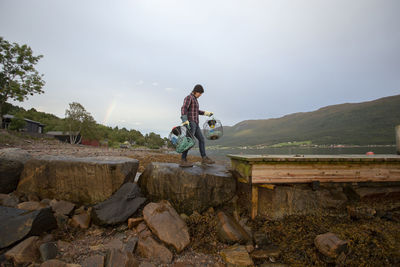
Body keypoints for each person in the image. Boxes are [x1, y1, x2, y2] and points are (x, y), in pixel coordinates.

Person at [180, 84, 215, 167]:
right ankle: (183, 160)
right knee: (189, 141)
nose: (200, 95)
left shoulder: (195, 100)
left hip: (196, 123)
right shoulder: (189, 97)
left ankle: (204, 158)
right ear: (196, 91)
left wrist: (206, 113)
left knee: (201, 139)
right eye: (200, 93)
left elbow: (196, 111)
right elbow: (184, 108)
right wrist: (184, 120)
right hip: (190, 123)